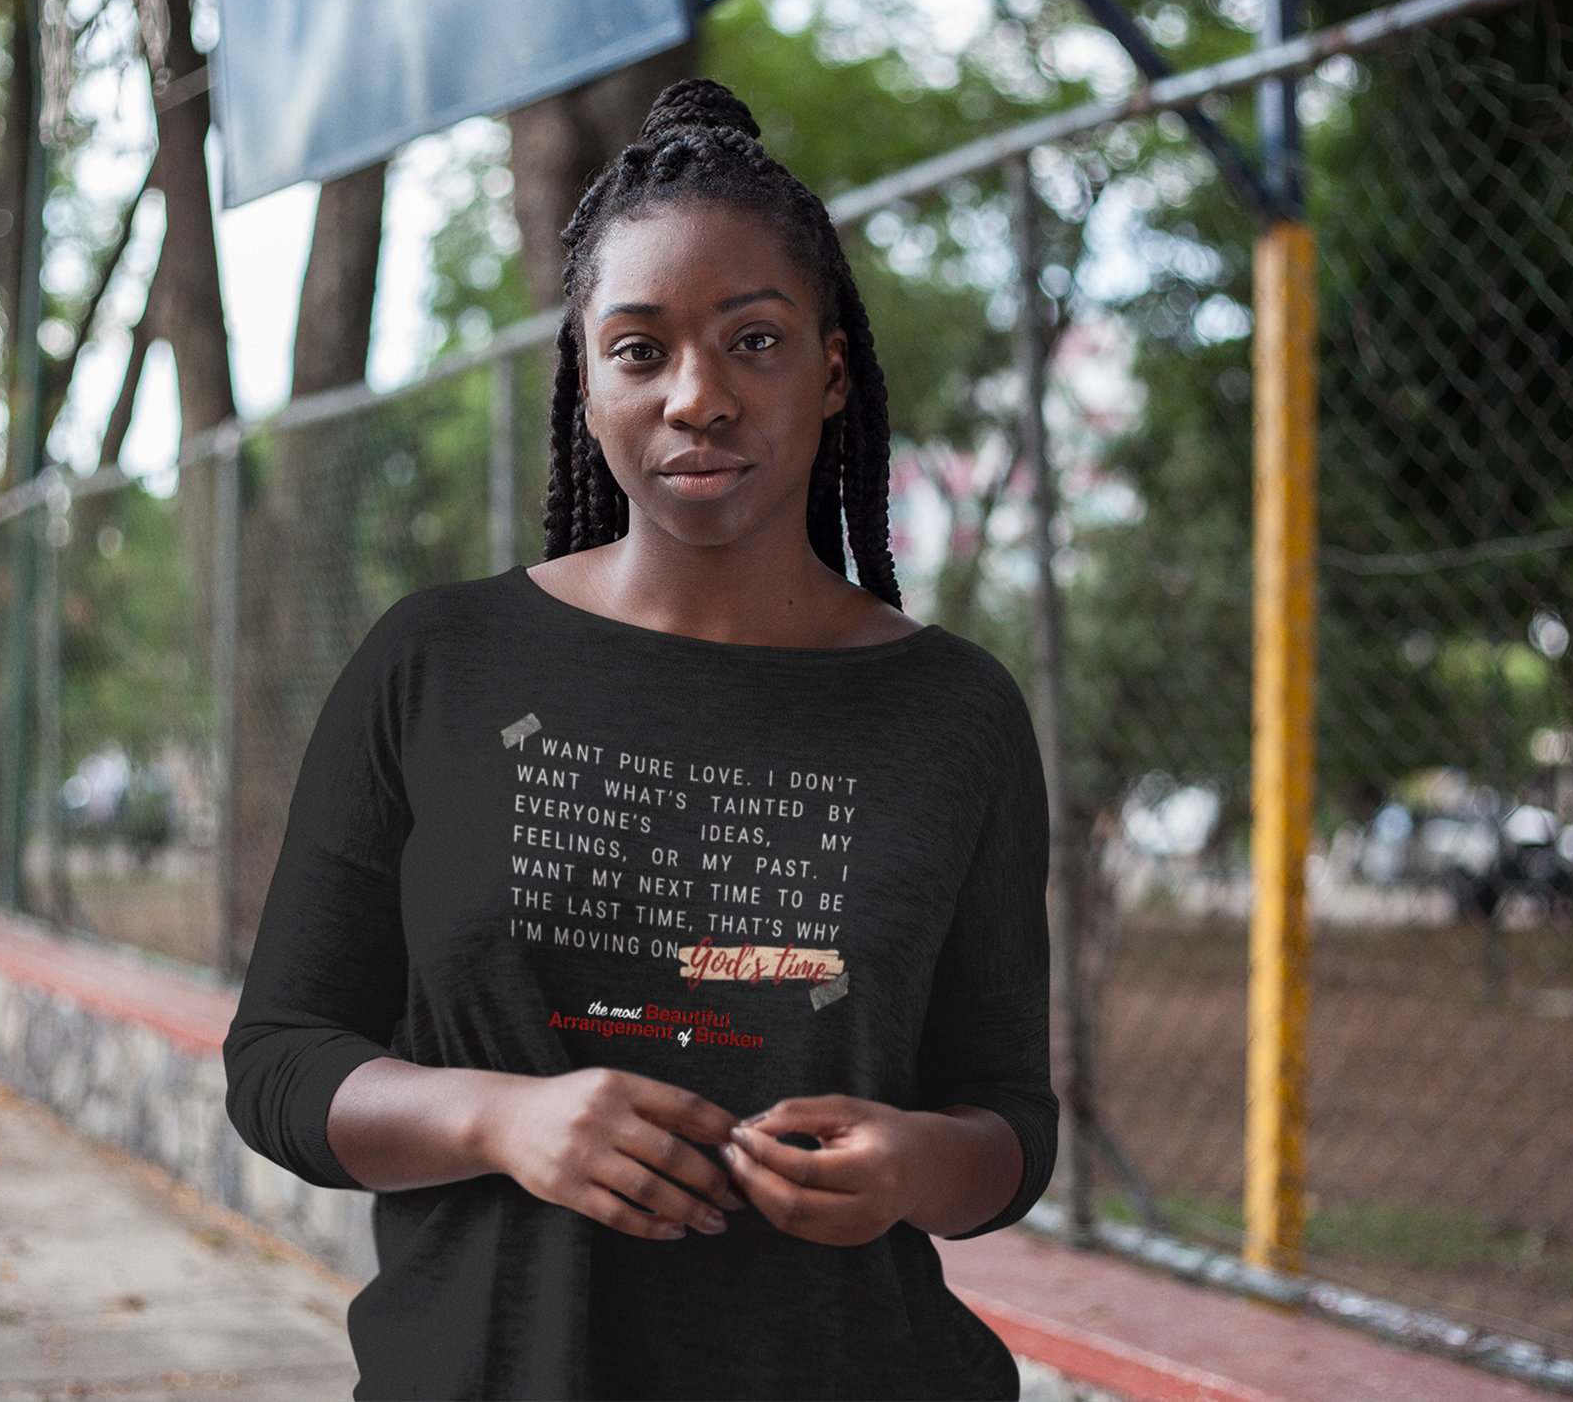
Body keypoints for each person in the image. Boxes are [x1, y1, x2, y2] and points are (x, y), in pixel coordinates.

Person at [224, 79, 1057, 1402]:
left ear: (833, 370)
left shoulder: (954, 711)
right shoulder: (435, 663)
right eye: (639, 350)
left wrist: (911, 1165)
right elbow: (278, 1062)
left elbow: (1008, 1120)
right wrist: (501, 1120)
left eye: (753, 340)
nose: (697, 397)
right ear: (586, 380)